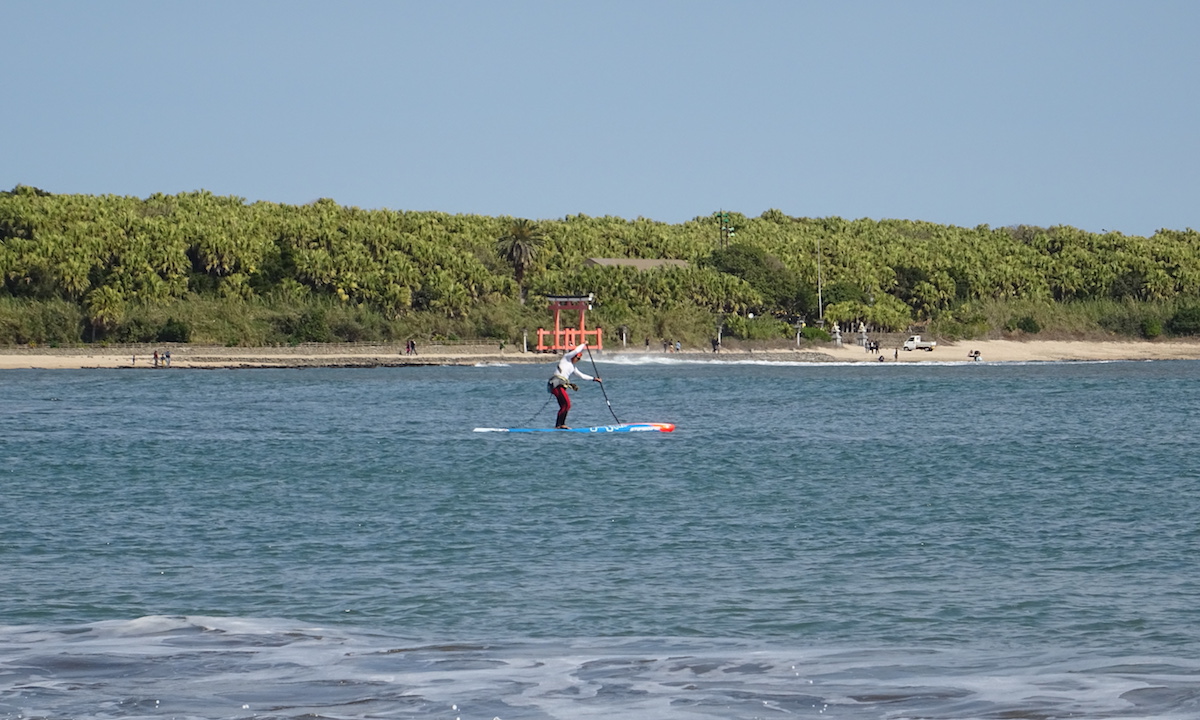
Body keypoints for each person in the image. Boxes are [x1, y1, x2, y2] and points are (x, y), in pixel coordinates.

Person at [547, 343, 602, 429]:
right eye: (577, 358)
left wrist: (594, 379)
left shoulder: (573, 367)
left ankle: (560, 425)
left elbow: (582, 376)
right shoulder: (566, 358)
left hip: (561, 385)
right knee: (567, 404)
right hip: (556, 384)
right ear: (573, 356)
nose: (578, 360)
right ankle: (559, 425)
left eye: (579, 359)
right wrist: (584, 344)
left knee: (565, 406)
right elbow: (576, 350)